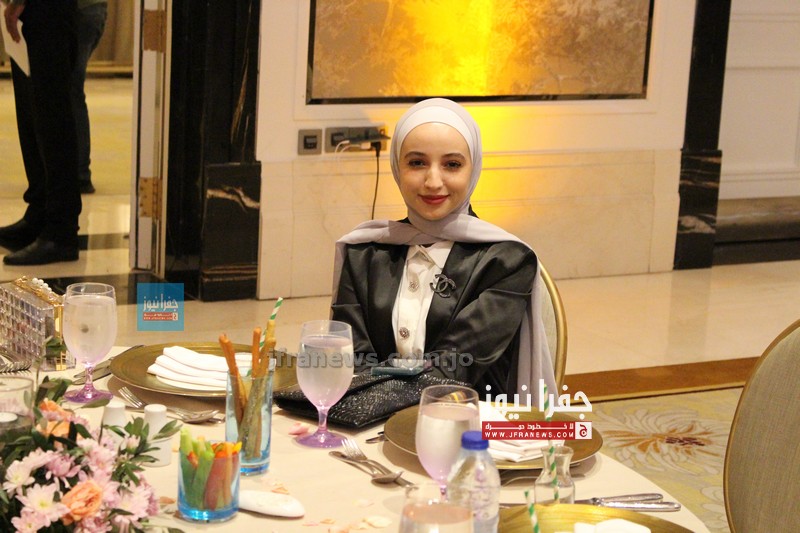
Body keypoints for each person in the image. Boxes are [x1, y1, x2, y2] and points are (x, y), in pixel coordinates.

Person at [331, 98, 556, 397]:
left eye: (452, 164)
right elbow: (350, 360)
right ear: (397, 167)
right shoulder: (363, 253)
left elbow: (454, 368)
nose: (433, 181)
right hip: (371, 417)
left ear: (473, 169)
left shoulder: (506, 261)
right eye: (417, 163)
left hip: (470, 420)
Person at [0, 0, 81, 265]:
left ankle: (60, 231)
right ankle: (39, 214)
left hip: (48, 9)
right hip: (31, 12)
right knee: (32, 118)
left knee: (53, 119)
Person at [73, 0, 108, 195]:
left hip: (78, 11)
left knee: (70, 94)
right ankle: (78, 173)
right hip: (93, 9)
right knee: (72, 93)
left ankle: (79, 174)